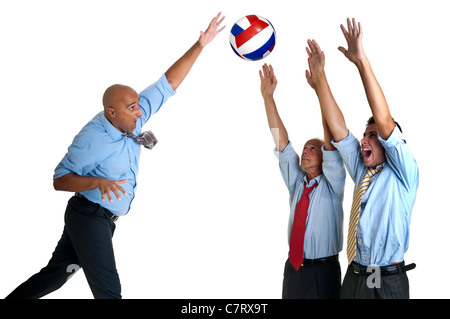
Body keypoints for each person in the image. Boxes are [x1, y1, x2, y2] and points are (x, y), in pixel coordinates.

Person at [5, 12, 225, 299]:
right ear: (111, 112)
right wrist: (96, 183)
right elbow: (59, 180)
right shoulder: (92, 139)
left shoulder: (132, 120)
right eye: (132, 107)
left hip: (103, 219)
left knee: (57, 274)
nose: (140, 111)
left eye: (137, 105)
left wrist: (200, 45)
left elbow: (167, 84)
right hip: (89, 217)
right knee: (109, 291)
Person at [306, 19, 419, 299]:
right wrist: (320, 79)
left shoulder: (403, 173)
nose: (363, 139)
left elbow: (383, 119)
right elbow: (338, 128)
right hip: (354, 276)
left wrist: (361, 62)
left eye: (373, 135)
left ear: (390, 143)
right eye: (364, 134)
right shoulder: (364, 174)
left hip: (386, 281)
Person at [259, 63, 346, 299]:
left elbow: (330, 139)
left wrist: (319, 92)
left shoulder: (333, 185)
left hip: (323, 272)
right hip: (294, 269)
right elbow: (281, 140)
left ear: (325, 156)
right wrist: (268, 98)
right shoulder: (297, 183)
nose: (305, 151)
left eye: (313, 148)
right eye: (305, 148)